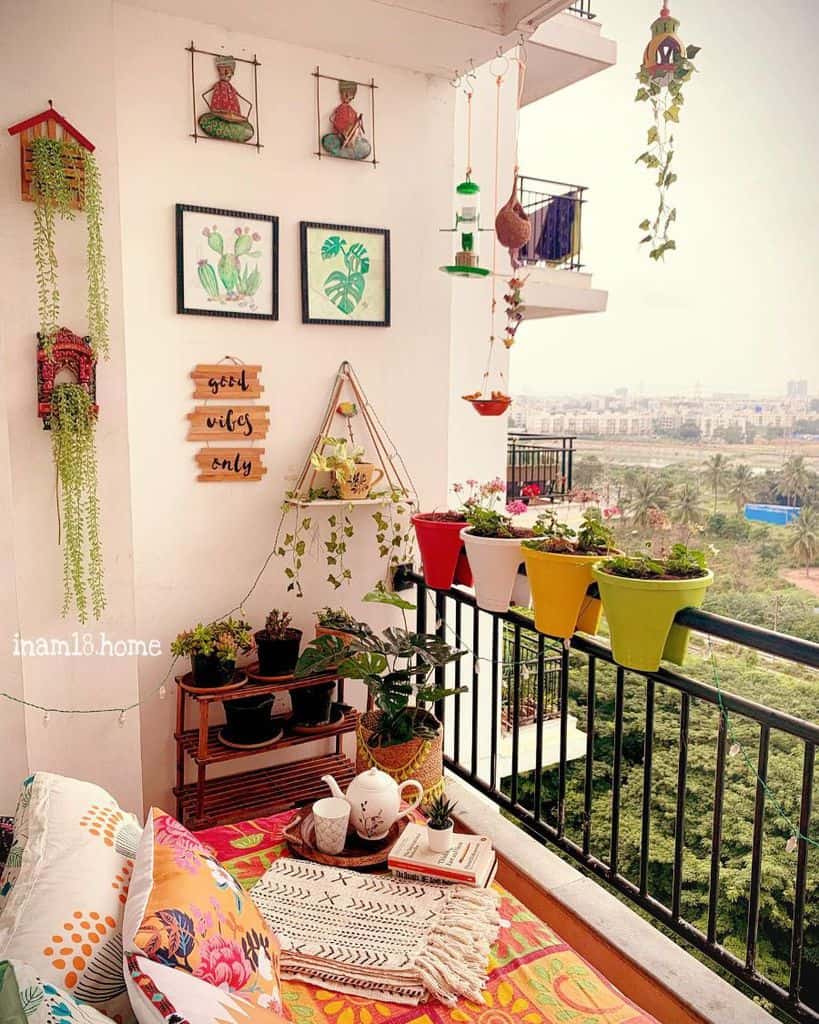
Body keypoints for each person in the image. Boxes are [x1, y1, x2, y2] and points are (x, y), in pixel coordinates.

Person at [198, 55, 254, 143]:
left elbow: (242, 98)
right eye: (224, 71)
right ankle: (223, 116)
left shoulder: (231, 88)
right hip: (219, 113)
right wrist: (212, 110)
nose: (227, 74)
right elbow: (204, 95)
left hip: (232, 115)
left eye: (229, 72)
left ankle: (231, 119)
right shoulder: (219, 85)